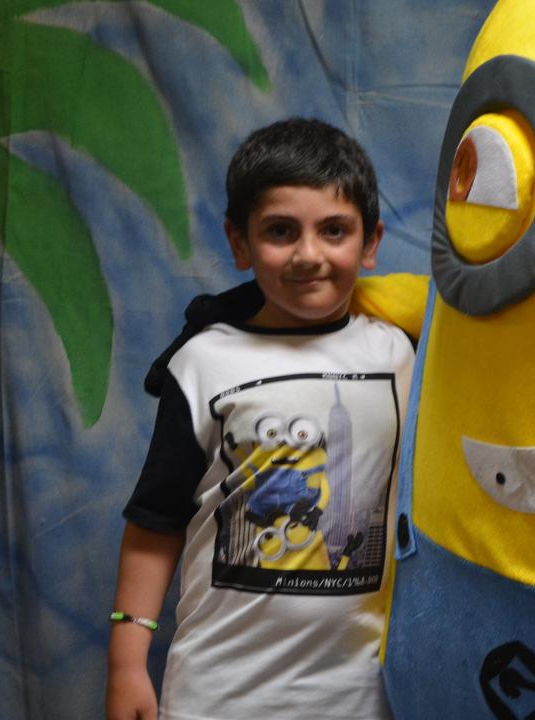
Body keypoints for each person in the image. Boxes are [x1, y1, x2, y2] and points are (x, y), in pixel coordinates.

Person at [106, 118, 414, 720]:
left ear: (370, 242)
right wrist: (125, 660)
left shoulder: (401, 352)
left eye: (334, 231)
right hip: (217, 694)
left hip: (361, 696)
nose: (308, 255)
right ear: (240, 242)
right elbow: (155, 520)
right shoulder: (202, 362)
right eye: (280, 232)